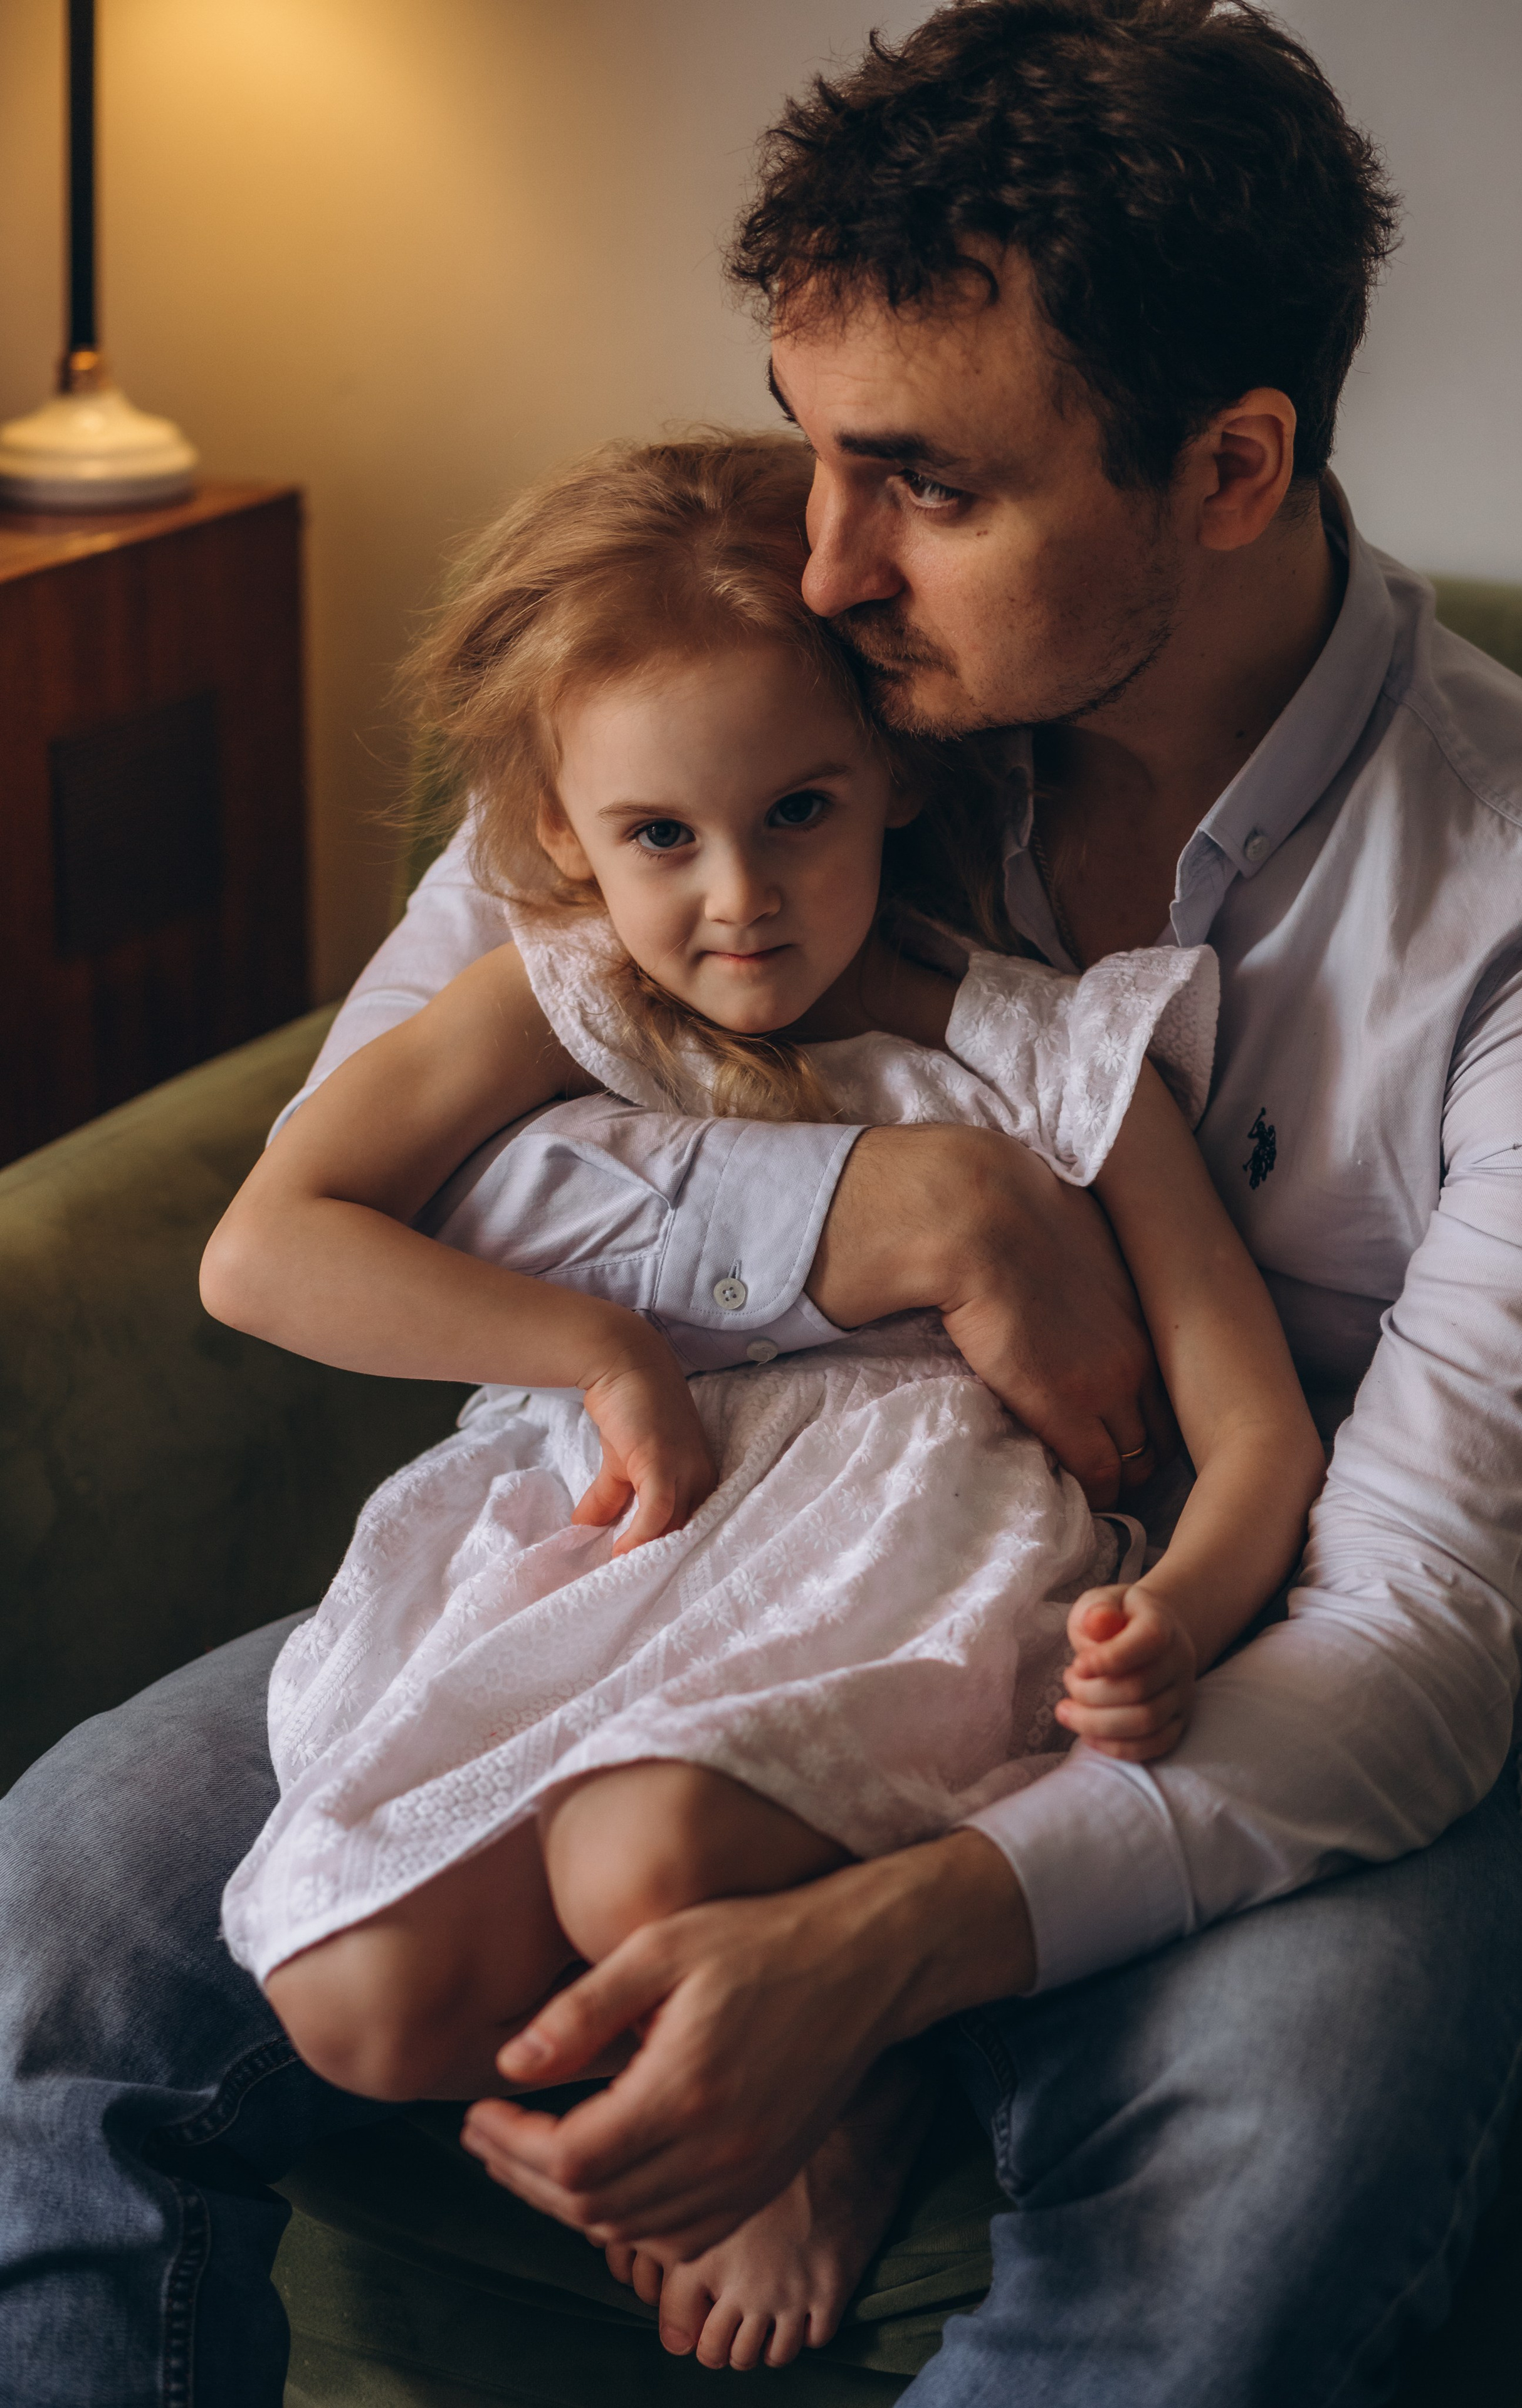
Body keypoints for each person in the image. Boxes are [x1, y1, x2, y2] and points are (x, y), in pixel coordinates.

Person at [0, 3, 1522, 2400]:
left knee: (1249, 2197)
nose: (825, 556)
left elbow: (1425, 1619)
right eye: (805, 444)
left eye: (926, 484)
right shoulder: (737, 677)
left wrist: (893, 1944)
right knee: (46, 1922)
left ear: (1232, 465)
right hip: (661, 1553)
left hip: (1218, 1659)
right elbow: (391, 1153)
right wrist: (886, 1213)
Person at [200, 432, 1321, 2372]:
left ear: (892, 769)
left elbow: (1256, 1432)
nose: (740, 903)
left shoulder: (1053, 1049)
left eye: (799, 810)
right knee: (353, 1990)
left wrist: (1186, 1614)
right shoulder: (558, 998)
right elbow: (264, 1245)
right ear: (559, 831)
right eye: (660, 837)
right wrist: (601, 1346)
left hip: (907, 1564)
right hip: (628, 1535)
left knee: (640, 1861)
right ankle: (782, 2040)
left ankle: (854, 2080)